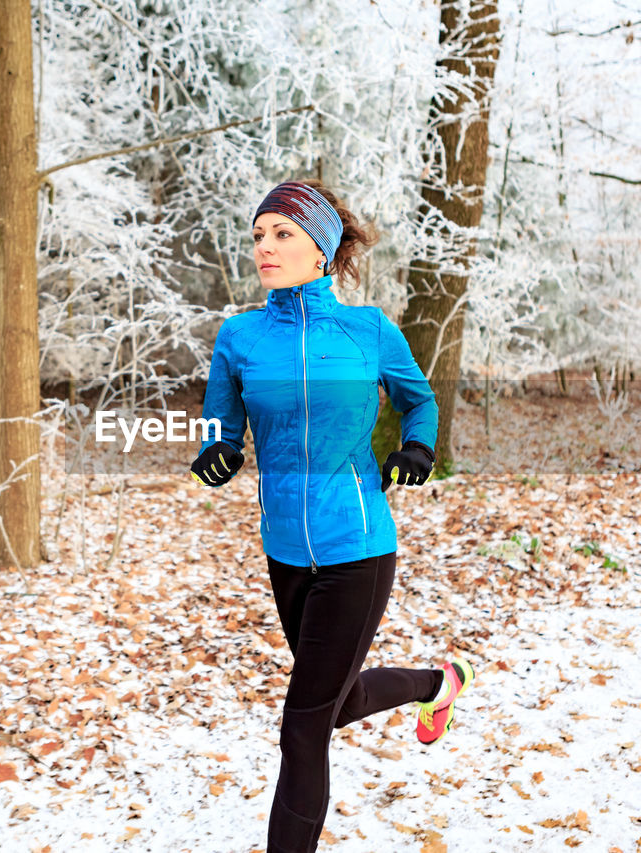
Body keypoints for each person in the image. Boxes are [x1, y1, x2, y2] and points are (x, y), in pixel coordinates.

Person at [189, 180, 475, 852]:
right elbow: (220, 423)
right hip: (285, 552)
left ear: (320, 249)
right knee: (336, 703)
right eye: (259, 235)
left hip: (358, 548)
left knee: (303, 725)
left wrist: (417, 446)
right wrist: (217, 452)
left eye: (282, 233)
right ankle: (439, 683)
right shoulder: (240, 338)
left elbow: (420, 400)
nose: (265, 246)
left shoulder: (367, 329)